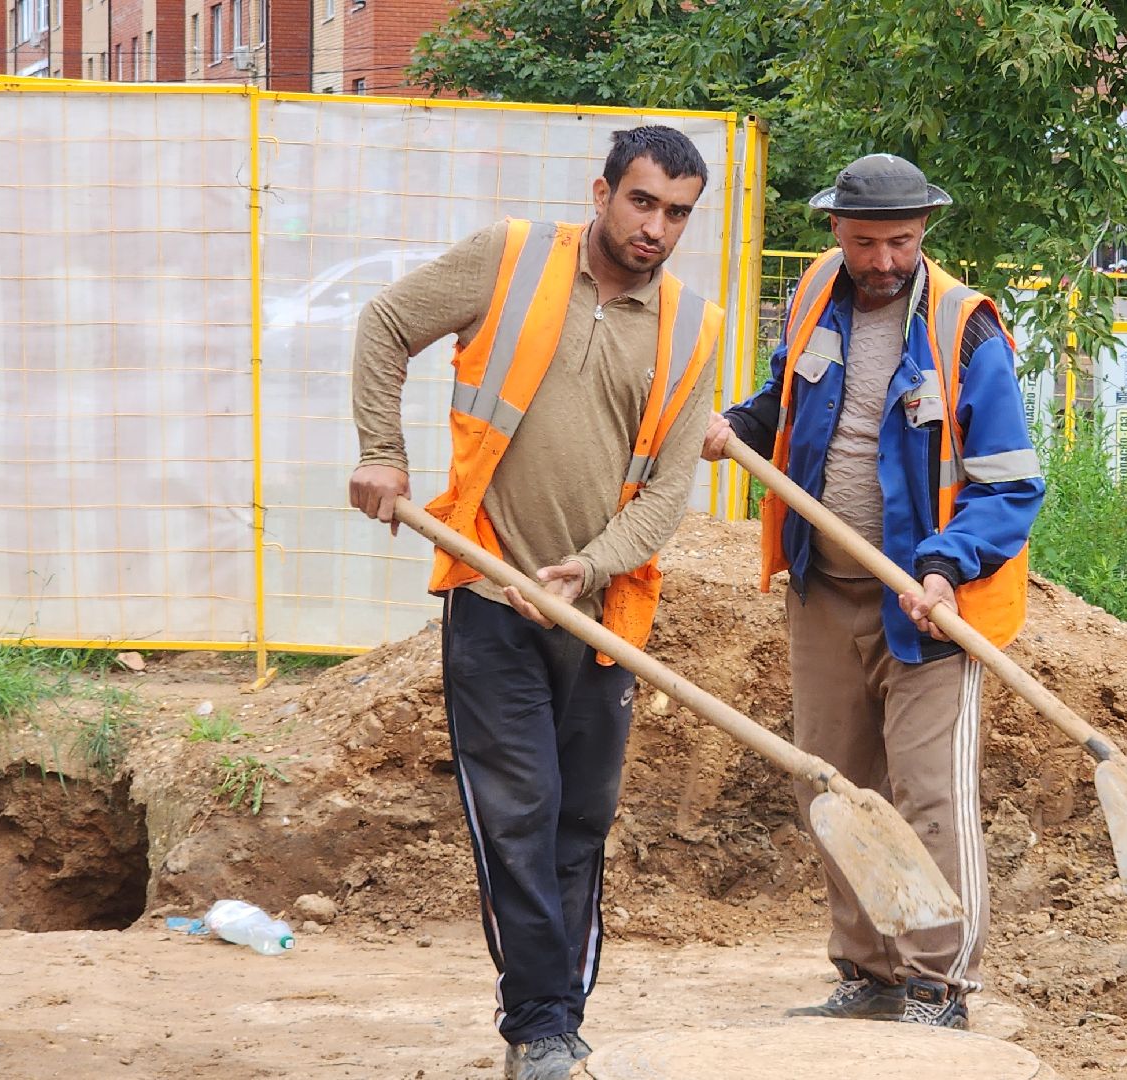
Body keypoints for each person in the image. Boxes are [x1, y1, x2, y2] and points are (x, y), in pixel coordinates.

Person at [347, 126, 723, 1080]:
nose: (657, 227)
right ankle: (543, 1029)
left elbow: (671, 490)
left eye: (677, 213)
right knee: (519, 811)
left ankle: (558, 1013)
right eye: (642, 203)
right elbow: (386, 325)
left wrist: (587, 568)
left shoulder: (692, 325)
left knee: (579, 823)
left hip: (602, 614)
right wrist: (379, 449)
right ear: (602, 193)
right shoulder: (509, 261)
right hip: (488, 591)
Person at [701, 153, 1043, 1031]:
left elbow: (1009, 483)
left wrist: (945, 564)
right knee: (835, 786)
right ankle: (869, 973)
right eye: (864, 242)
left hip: (933, 604)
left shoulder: (966, 329)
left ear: (924, 231)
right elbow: (785, 397)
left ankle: (939, 986)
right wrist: (738, 424)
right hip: (824, 588)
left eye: (899, 241)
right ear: (835, 234)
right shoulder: (817, 291)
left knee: (928, 794)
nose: (882, 260)